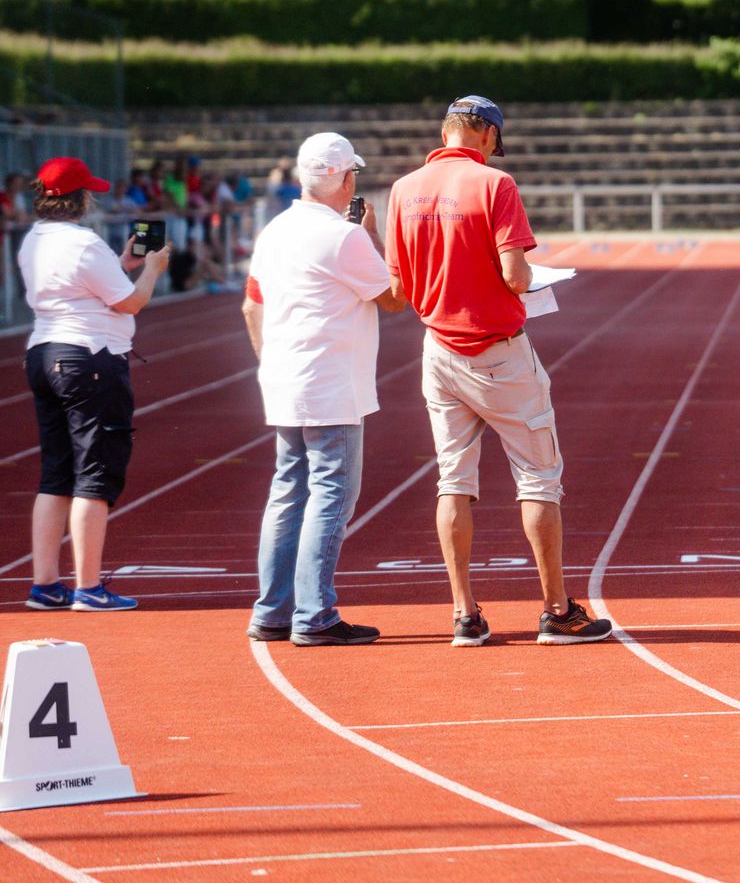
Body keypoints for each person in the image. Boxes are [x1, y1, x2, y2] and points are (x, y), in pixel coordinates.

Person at [386, 96, 611, 648]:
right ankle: (557, 611)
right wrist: (536, 276)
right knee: (538, 480)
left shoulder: (402, 190)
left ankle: (464, 614)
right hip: (500, 352)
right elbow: (515, 276)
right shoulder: (495, 185)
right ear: (484, 133)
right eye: (493, 139)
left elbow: (396, 295)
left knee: (453, 480)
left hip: (439, 350)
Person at [242, 133, 408, 647]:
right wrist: (376, 239)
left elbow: (252, 306)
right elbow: (395, 299)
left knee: (288, 492)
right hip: (330, 382)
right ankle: (314, 614)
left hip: (284, 377)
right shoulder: (344, 237)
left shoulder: (274, 230)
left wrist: (270, 364)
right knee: (331, 495)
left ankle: (272, 610)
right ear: (346, 179)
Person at [17, 157, 171, 612]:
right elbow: (131, 303)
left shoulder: (33, 240)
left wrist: (123, 263)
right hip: (90, 359)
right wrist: (153, 267)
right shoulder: (84, 244)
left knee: (56, 474)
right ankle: (88, 586)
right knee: (95, 474)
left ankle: (45, 584)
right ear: (79, 198)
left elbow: (88, 289)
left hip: (45, 351)